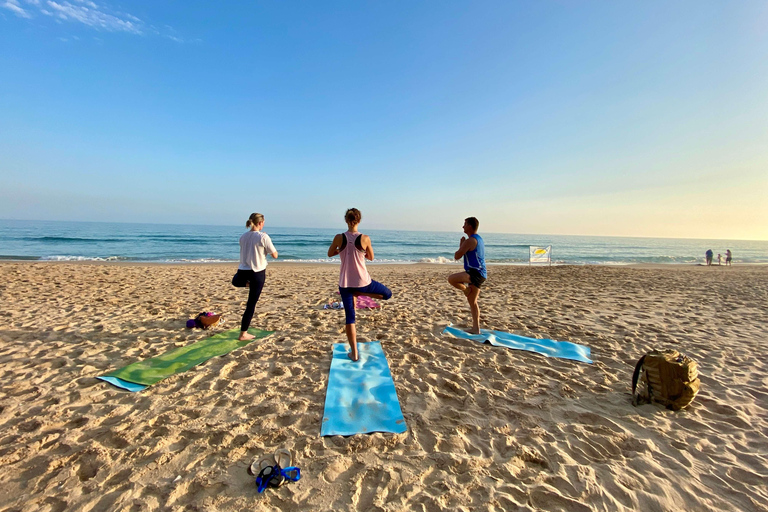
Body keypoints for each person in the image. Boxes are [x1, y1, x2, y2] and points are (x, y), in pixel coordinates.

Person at [327, 208, 392, 362]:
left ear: (345, 220)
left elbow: (330, 253)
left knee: (350, 317)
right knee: (387, 294)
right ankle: (362, 293)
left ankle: (354, 353)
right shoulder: (365, 238)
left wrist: (340, 251)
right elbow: (371, 257)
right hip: (362, 282)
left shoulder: (338, 238)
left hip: (345, 283)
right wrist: (361, 253)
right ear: (359, 220)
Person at [232, 213, 278, 341]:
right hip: (257, 272)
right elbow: (275, 255)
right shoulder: (263, 236)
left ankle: (248, 284)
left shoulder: (243, 237)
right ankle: (243, 334)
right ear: (260, 223)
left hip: (242, 271)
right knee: (251, 304)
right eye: (263, 222)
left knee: (235, 281)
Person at [448, 217, 487, 334]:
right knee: (472, 302)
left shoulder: (470, 241)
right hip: (481, 273)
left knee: (452, 279)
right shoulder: (478, 239)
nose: (463, 226)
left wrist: (461, 245)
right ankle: (476, 328)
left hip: (475, 273)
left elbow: (457, 256)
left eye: (464, 224)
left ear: (470, 226)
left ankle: (465, 289)